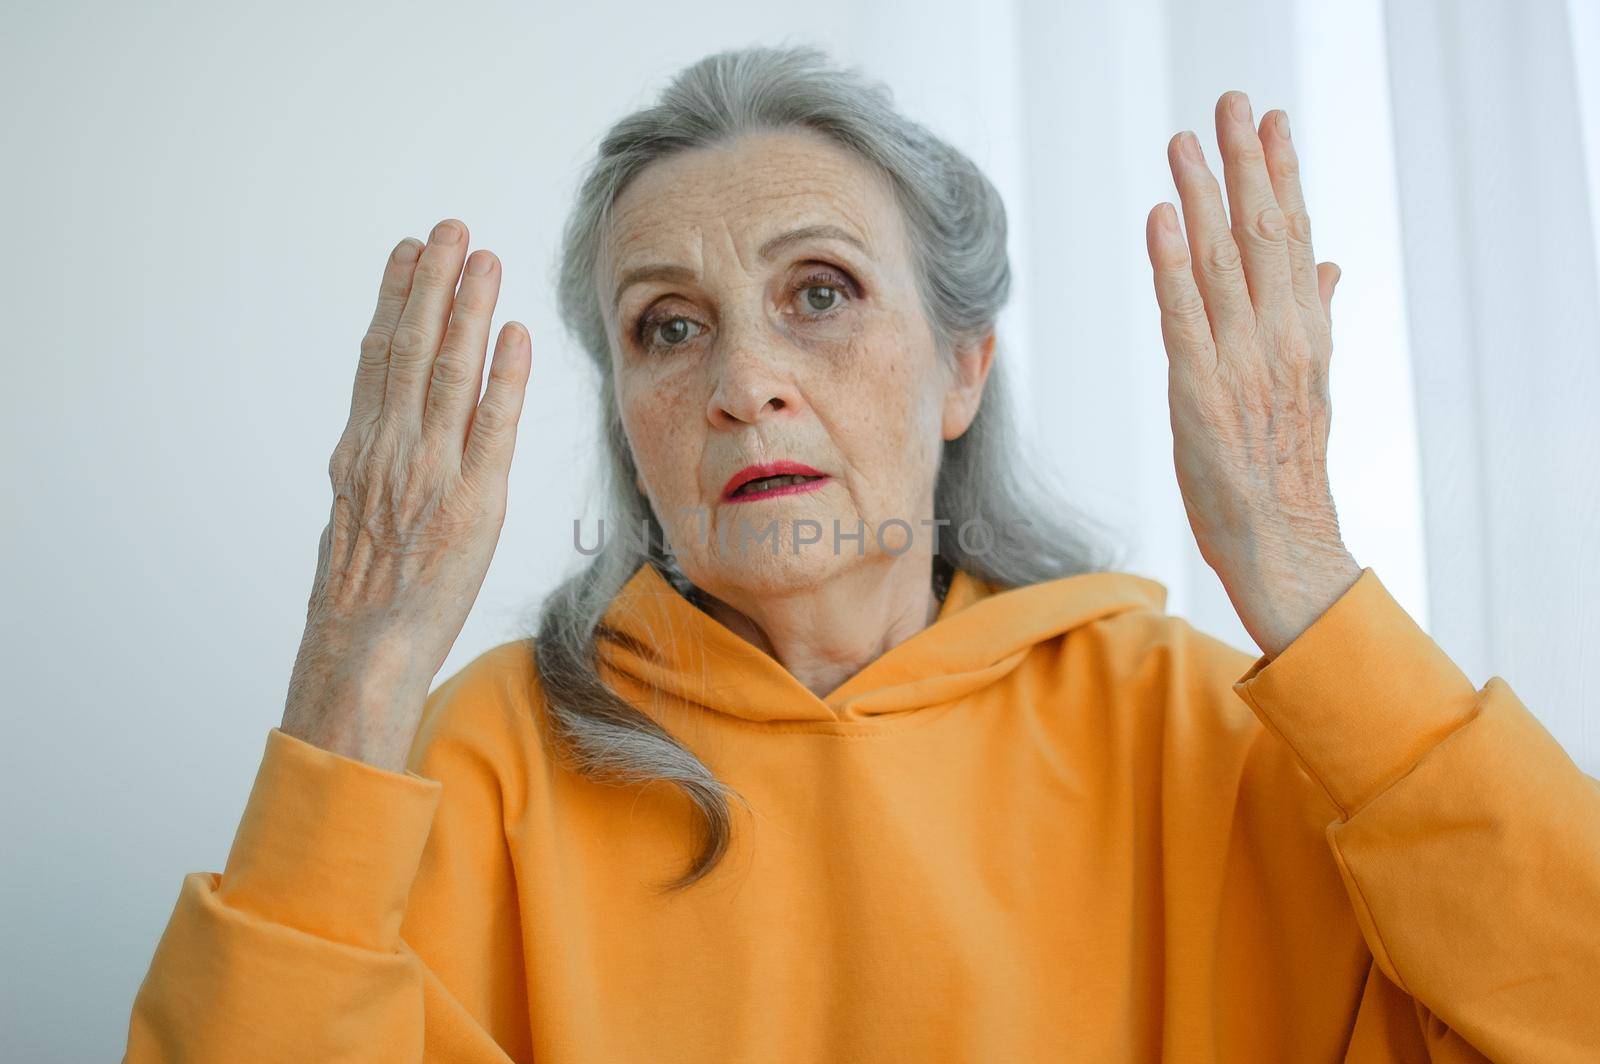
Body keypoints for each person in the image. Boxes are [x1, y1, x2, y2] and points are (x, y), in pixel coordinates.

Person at [123, 44, 1599, 1062]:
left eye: (818, 292)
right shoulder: (495, 753)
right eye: (668, 326)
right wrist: (356, 674)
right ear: (628, 414)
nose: (743, 379)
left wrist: (1297, 568)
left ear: (965, 367)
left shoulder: (1194, 729)